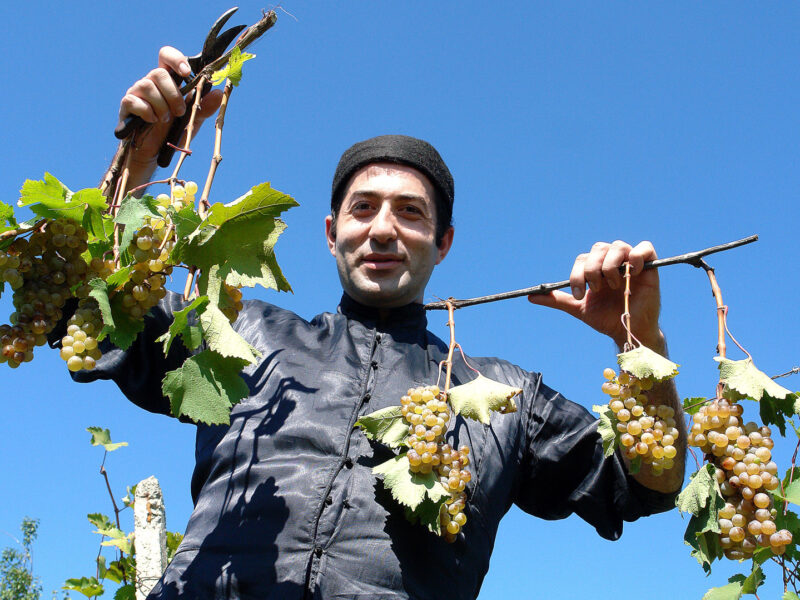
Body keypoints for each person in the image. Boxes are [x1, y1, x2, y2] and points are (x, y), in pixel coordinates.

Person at [89, 47, 686, 599]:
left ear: (442, 242)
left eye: (410, 212)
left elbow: (643, 485)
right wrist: (141, 156)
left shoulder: (505, 397)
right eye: (363, 208)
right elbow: (96, 309)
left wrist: (639, 343)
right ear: (331, 234)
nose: (381, 229)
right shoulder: (240, 330)